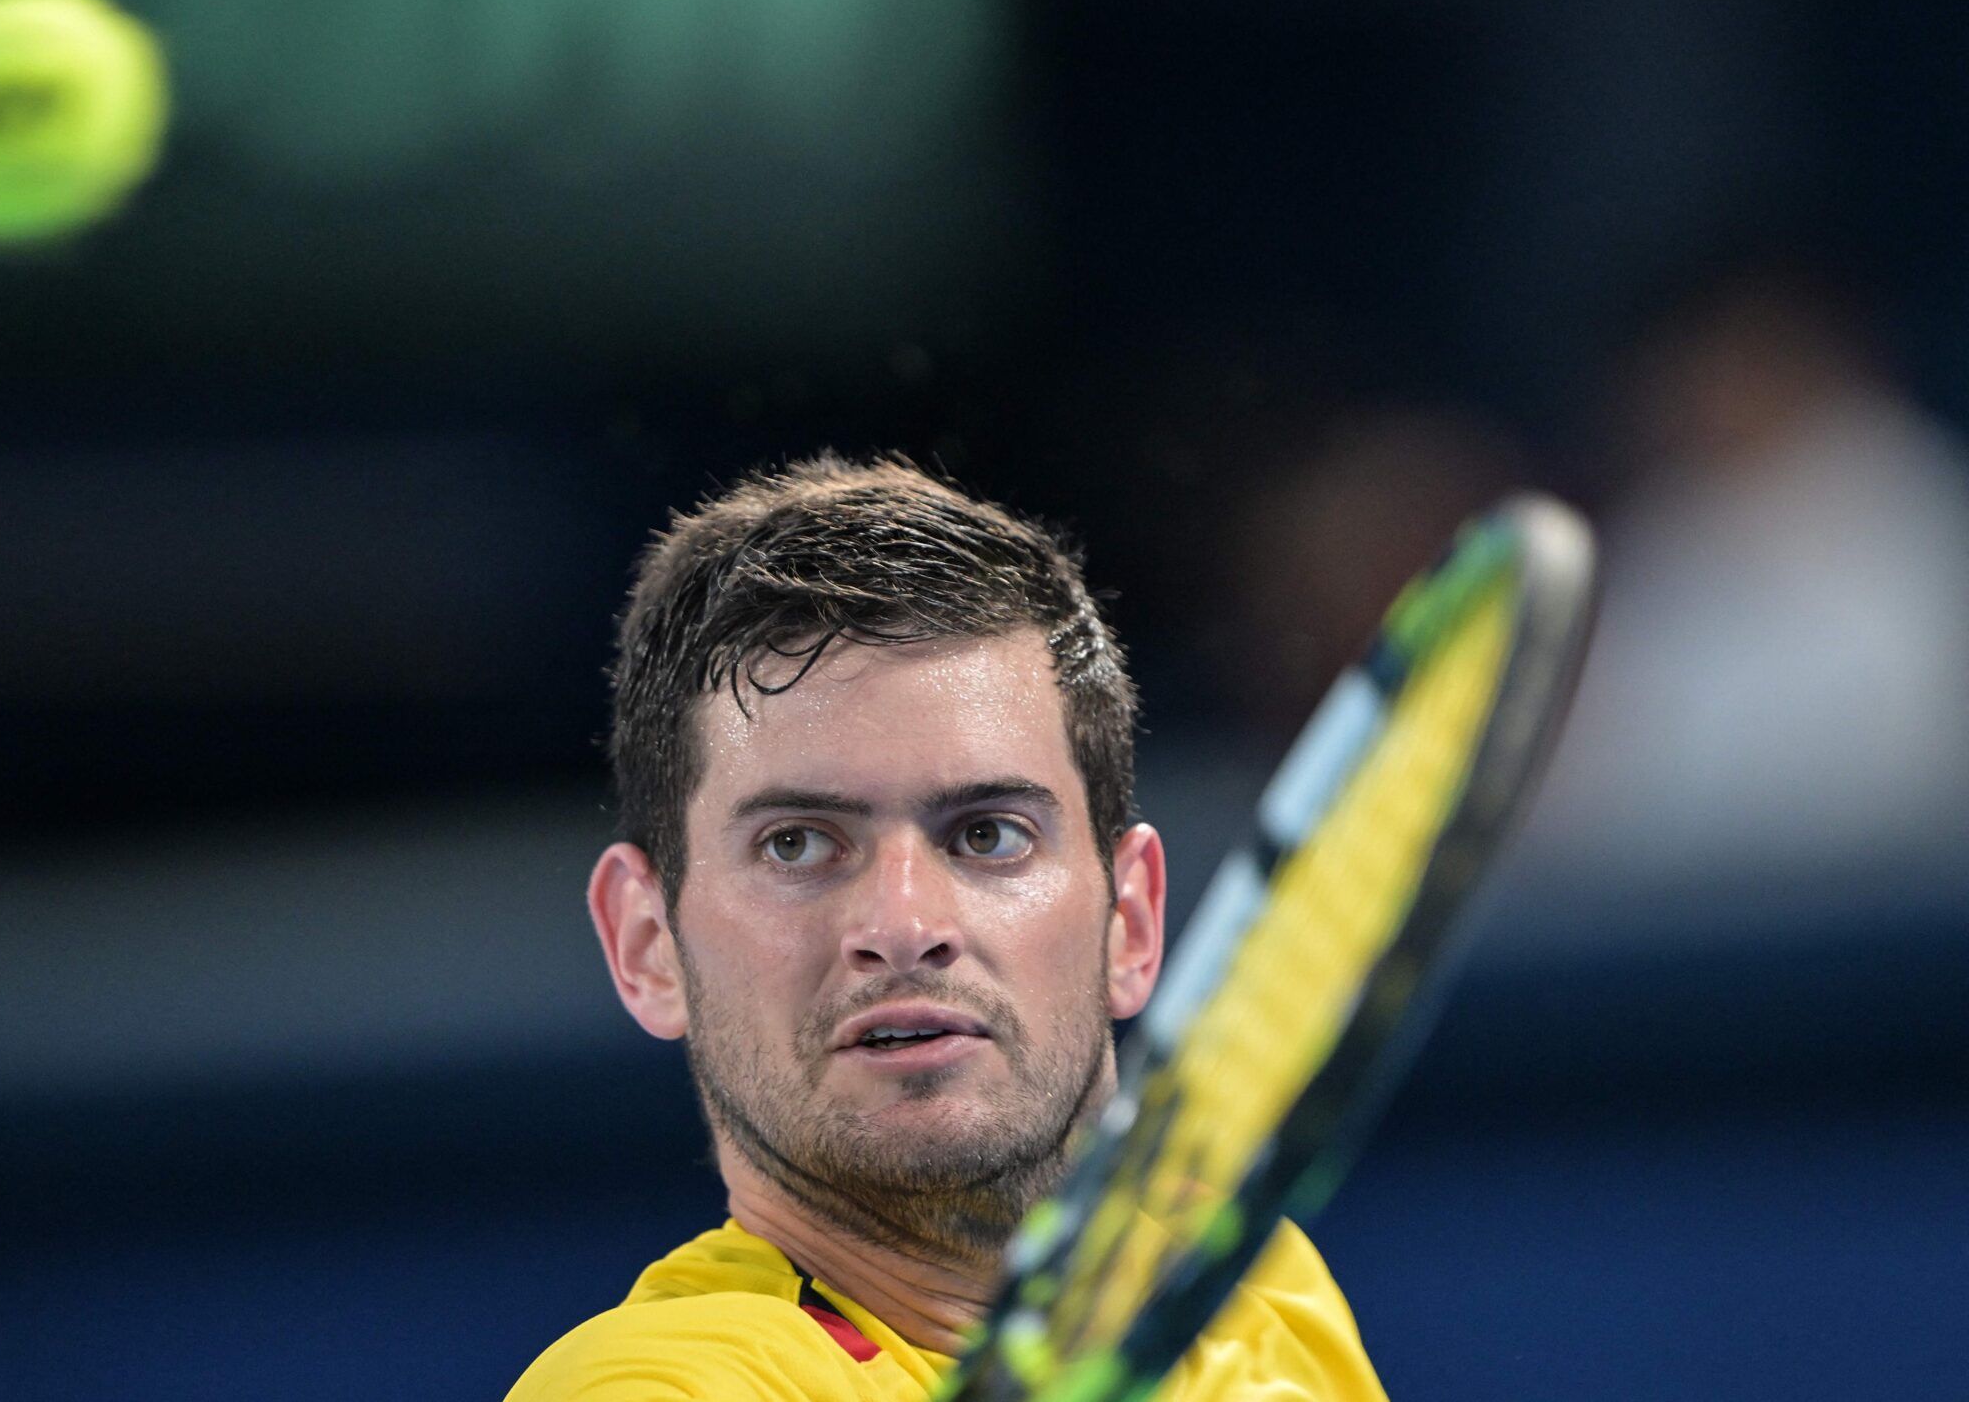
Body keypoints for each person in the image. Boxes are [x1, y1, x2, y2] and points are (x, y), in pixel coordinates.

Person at [506, 457, 1384, 1400]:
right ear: (647, 945)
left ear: (1129, 920)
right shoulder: (647, 1384)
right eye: (797, 843)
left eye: (988, 834)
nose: (905, 924)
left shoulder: (1255, 1291)